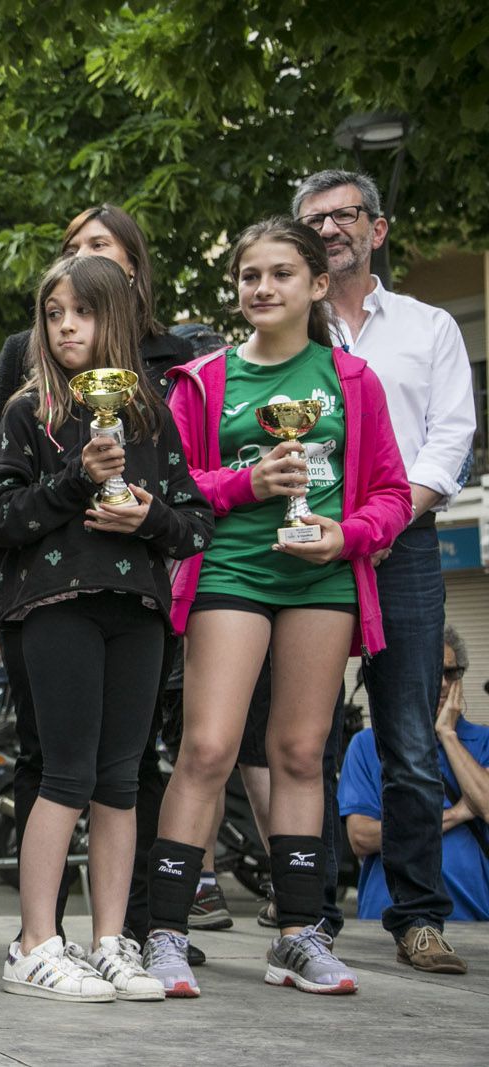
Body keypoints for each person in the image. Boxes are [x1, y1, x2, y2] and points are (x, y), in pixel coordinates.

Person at [144, 217, 411, 998]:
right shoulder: (203, 379)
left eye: (280, 275)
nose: (261, 288)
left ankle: (298, 933)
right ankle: (165, 934)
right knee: (209, 748)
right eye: (249, 276)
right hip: (231, 571)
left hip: (323, 580)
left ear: (317, 285)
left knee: (300, 754)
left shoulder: (353, 381)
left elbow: (393, 493)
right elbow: (175, 485)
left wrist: (347, 533)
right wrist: (245, 485)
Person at [0, 204, 199, 957]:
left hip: (137, 610)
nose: (68, 326)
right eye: (55, 313)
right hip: (53, 608)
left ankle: (111, 941)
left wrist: (150, 517)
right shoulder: (27, 410)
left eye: (85, 313)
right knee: (63, 773)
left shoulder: (154, 416)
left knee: (121, 779)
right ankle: (37, 941)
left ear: (119, 319)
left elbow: (196, 523)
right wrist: (74, 481)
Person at [294, 168, 478, 973]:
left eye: (346, 215)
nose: (331, 228)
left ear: (379, 229)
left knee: (405, 734)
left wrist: (390, 515)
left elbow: (451, 437)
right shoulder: (287, 330)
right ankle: (308, 909)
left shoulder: (429, 326)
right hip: (305, 544)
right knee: (305, 734)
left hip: (402, 543)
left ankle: (418, 917)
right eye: (315, 219)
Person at [340, 626, 487, 947]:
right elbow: (361, 837)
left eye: (451, 672)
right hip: (385, 924)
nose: (444, 684)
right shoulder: (368, 745)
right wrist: (458, 813)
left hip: (475, 923)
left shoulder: (483, 741)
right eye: (435, 672)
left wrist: (448, 736)